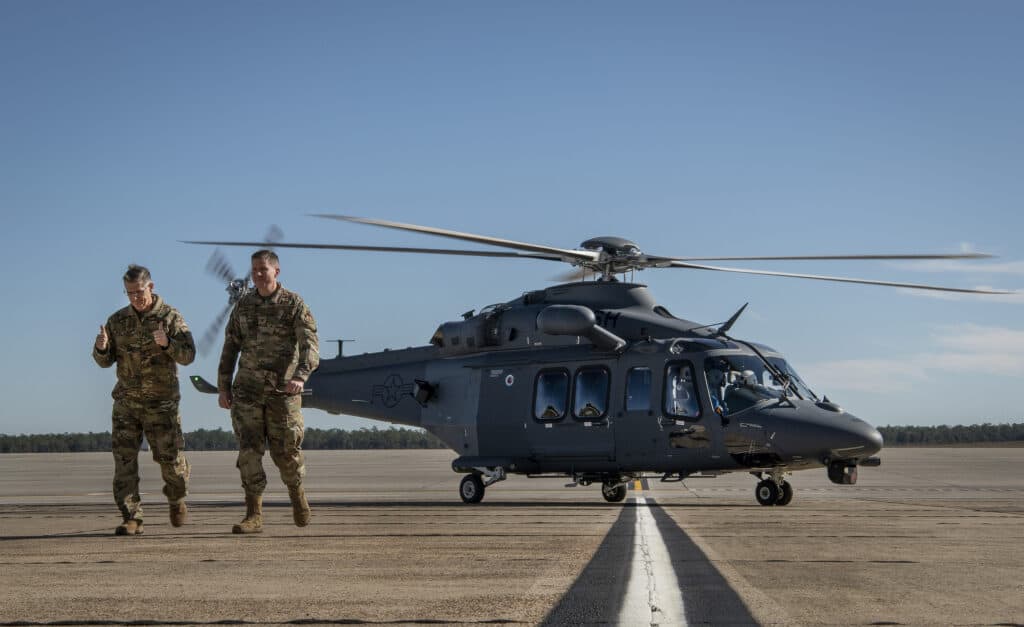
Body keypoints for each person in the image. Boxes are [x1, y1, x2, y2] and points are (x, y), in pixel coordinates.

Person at [218, 250, 319, 534]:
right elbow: (230, 348)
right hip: (247, 391)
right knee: (249, 453)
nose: (258, 275)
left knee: (285, 453)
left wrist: (301, 376)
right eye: (254, 270)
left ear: (277, 271)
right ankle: (254, 514)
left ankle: (297, 496)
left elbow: (310, 344)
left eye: (263, 269)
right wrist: (223, 386)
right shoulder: (243, 306)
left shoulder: (293, 304)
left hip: (282, 391)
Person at [93, 264, 195, 536]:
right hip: (127, 403)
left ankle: (176, 497)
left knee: (170, 461)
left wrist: (167, 344)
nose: (135, 298)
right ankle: (132, 517)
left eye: (139, 292)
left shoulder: (170, 316)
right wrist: (101, 348)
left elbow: (188, 355)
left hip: (162, 404)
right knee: (124, 462)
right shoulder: (117, 321)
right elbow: (105, 361)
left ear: (151, 287)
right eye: (129, 293)